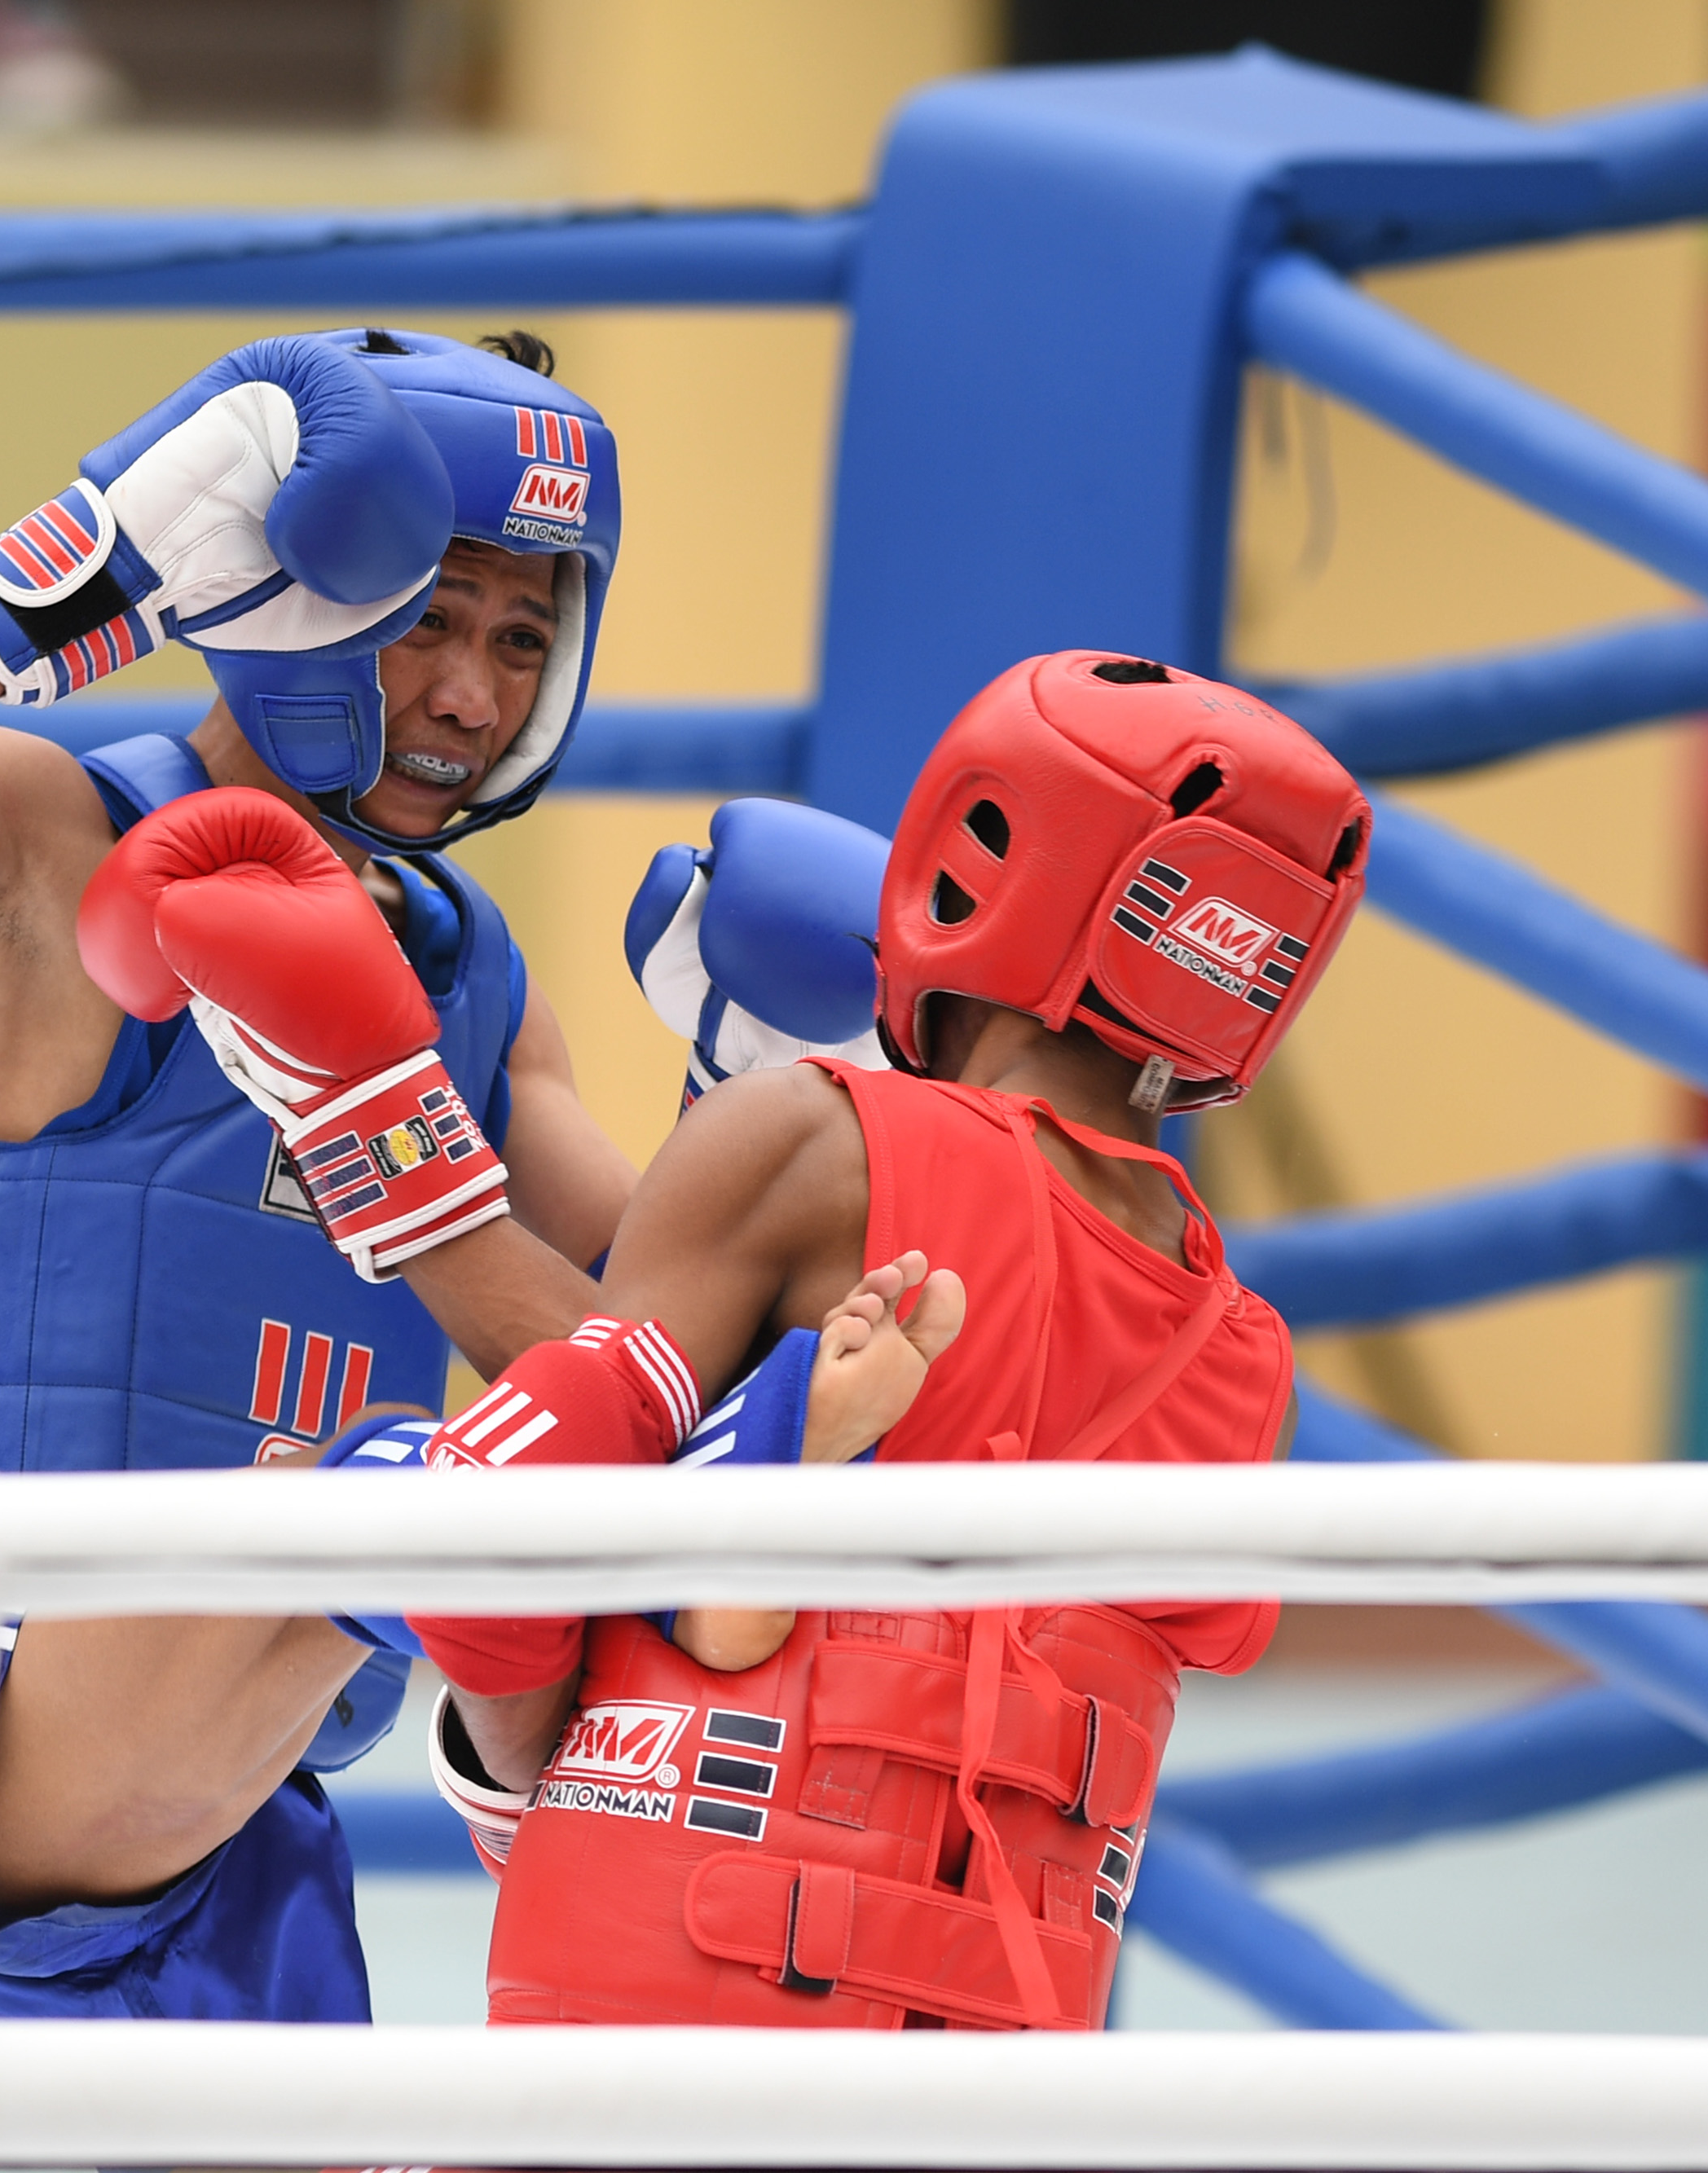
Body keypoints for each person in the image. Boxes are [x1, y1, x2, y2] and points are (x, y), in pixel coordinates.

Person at [86, 648, 1369, 2029]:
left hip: (671, 2003)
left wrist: (369, 1124)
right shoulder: (1249, 1361)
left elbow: (507, 1542)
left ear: (986, 855)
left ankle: (745, 1488)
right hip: (1001, 2056)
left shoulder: (819, 1141)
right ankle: (748, 1487)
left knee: (380, 1493)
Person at [0, 323, 636, 2018]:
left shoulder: (474, 982)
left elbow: (646, 1379)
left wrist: (821, 1112)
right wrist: (35, 591)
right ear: (290, 594)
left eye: (516, 638)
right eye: (423, 623)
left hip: (249, 1810)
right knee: (421, 1486)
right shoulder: (47, 842)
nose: (468, 694)